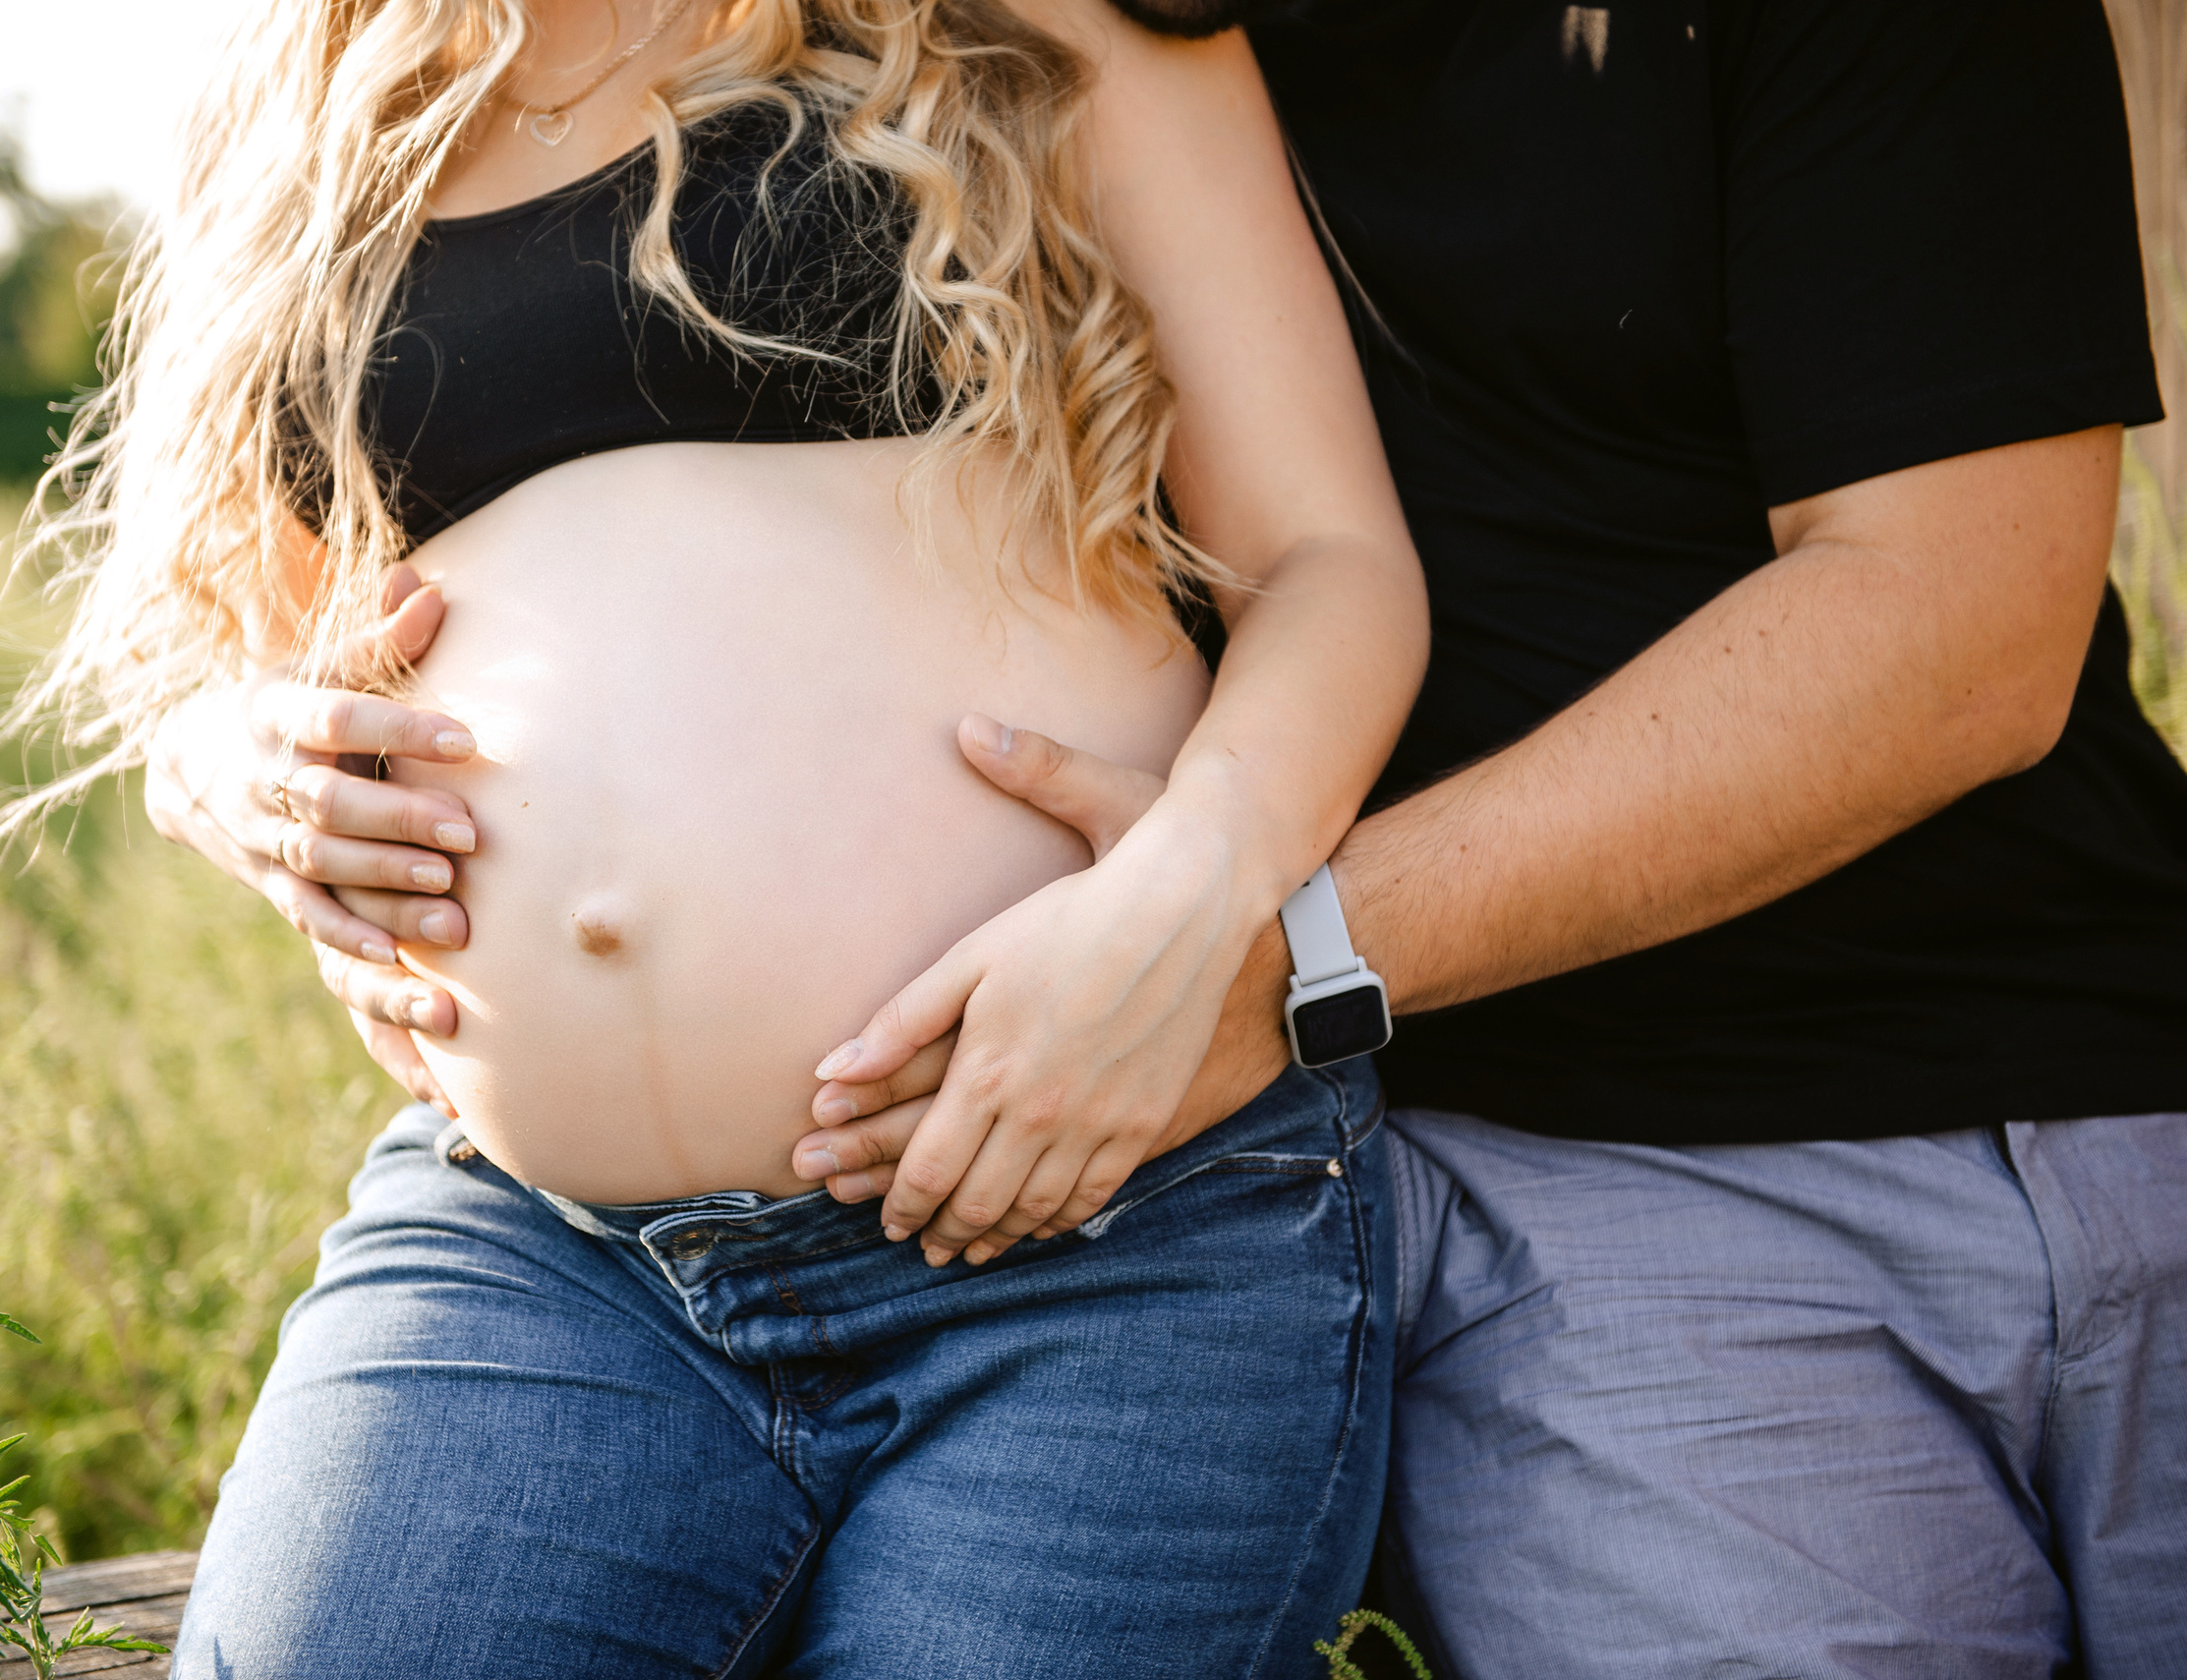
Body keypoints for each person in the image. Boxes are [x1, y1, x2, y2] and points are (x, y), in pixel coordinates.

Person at [9, 0, 1428, 1668]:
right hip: (549, 1244)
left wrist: (1202, 895)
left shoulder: (1034, 21)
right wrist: (223, 766)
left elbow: (1332, 559)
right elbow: (255, 640)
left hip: (1099, 1214)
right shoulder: (305, 96)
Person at [788, 0, 2187, 1674]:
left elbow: (1965, 623)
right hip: (1601, 1187)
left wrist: (1273, 958)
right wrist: (407, 758)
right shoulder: (931, 46)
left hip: (2120, 1080)